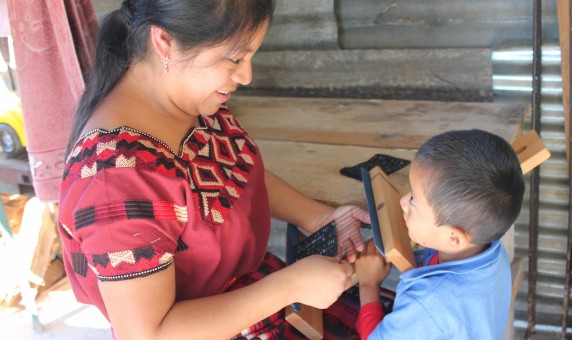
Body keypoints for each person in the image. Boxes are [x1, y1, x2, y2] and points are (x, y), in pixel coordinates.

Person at [57, 1, 374, 338]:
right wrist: (289, 286)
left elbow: (238, 174)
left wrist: (319, 218)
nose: (246, 76)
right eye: (235, 58)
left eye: (250, 57)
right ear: (164, 41)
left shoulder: (192, 99)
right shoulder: (116, 179)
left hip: (258, 297)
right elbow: (148, 334)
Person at [354, 129, 525, 339]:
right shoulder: (493, 253)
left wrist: (368, 283)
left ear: (453, 238)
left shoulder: (427, 302)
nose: (403, 201)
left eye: (414, 200)